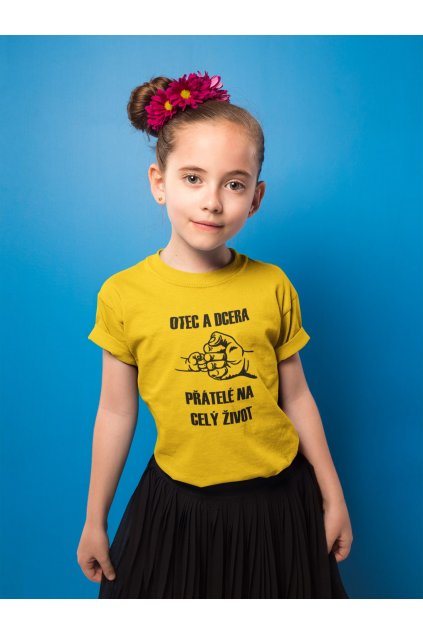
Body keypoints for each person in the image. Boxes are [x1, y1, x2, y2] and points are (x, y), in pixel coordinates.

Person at [76, 70, 353, 599]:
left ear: (256, 197)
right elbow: (115, 410)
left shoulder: (272, 285)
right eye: (193, 178)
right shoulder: (123, 294)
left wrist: (333, 494)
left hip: (280, 505)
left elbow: (296, 396)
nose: (213, 201)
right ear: (159, 182)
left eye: (234, 183)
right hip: (177, 508)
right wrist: (95, 517)